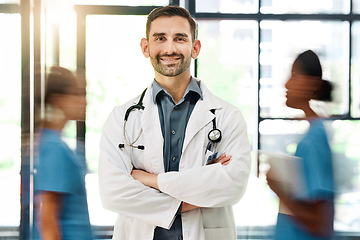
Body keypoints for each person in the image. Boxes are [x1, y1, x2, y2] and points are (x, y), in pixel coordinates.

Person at [98, 5, 251, 240]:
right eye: (160, 38)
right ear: (145, 47)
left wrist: (150, 180)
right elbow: (113, 192)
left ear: (195, 48)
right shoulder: (123, 117)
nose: (170, 48)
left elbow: (232, 186)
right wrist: (194, 196)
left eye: (180, 39)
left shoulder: (227, 116)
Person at [266, 50, 335, 240]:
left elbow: (319, 223)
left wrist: (278, 188)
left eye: (294, 76)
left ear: (311, 83)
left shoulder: (314, 140)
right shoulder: (313, 134)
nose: (286, 84)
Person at [33, 66, 94, 240]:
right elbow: (47, 220)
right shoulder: (54, 148)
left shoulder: (56, 144)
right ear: (58, 100)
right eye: (77, 94)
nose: (84, 101)